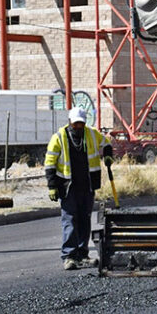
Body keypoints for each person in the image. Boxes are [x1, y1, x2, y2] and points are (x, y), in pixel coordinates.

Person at [44, 107, 113, 270]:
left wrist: (108, 155)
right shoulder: (59, 137)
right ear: (70, 122)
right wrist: (52, 186)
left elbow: (106, 143)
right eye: (75, 124)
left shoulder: (91, 134)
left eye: (81, 124)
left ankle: (82, 254)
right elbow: (50, 162)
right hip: (67, 186)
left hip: (87, 185)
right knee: (69, 220)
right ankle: (69, 256)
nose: (78, 127)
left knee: (84, 219)